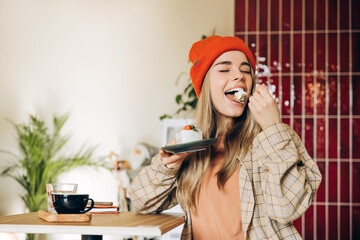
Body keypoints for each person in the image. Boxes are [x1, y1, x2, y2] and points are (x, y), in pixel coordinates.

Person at [128, 36, 322, 240]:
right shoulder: (190, 146)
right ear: (205, 86)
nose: (239, 76)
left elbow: (286, 209)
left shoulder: (275, 138)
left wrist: (272, 129)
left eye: (246, 70)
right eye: (224, 69)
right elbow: (141, 203)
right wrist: (167, 168)